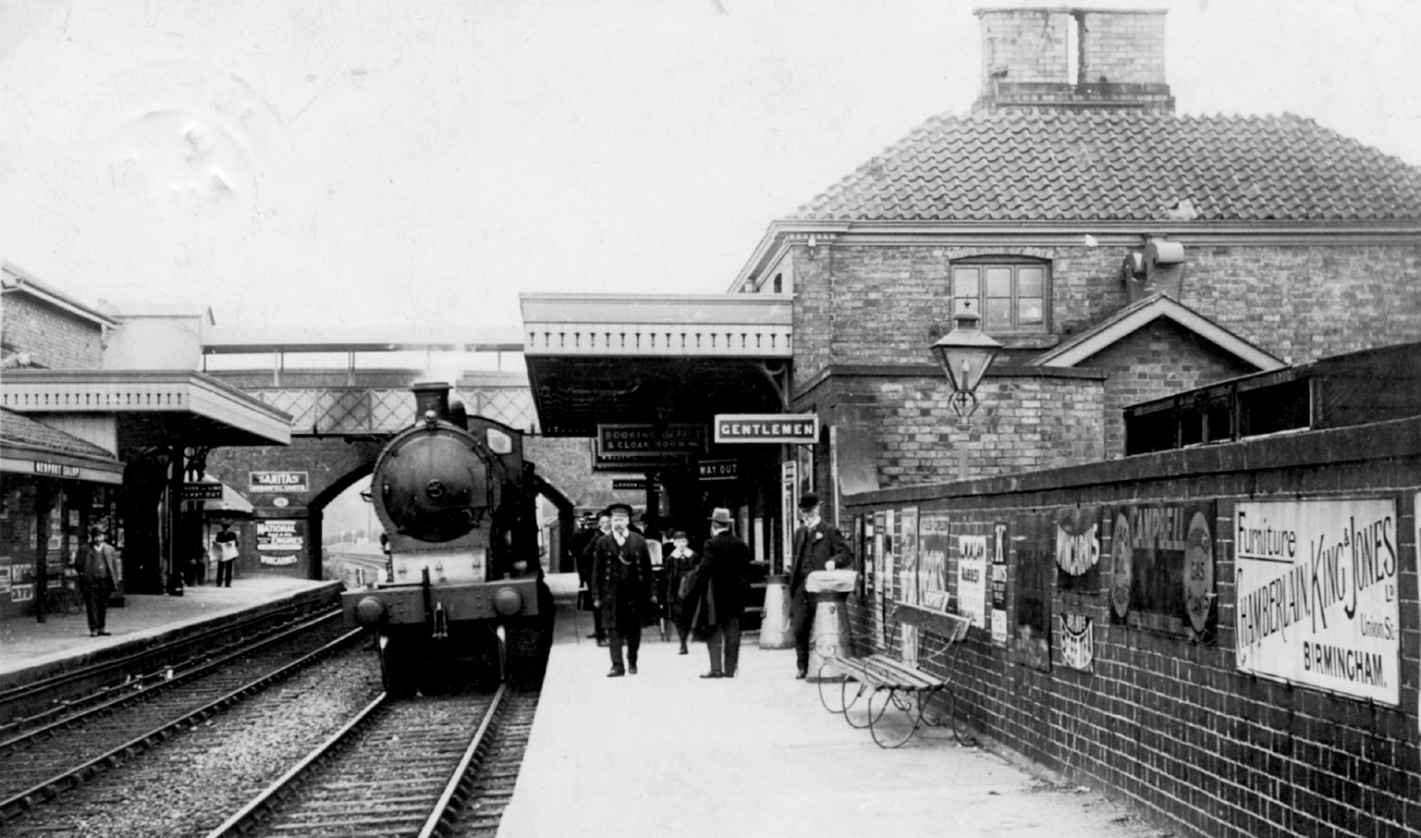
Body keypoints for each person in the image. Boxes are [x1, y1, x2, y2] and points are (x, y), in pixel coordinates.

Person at [788, 493, 853, 679]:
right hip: (801, 586)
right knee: (800, 626)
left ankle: (823, 664)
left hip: (821, 589)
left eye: (809, 511)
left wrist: (834, 561)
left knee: (821, 626)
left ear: (816, 509)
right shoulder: (800, 533)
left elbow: (846, 554)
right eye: (803, 512)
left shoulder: (829, 531)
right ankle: (802, 665)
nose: (806, 515)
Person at [591, 503, 656, 677]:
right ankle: (617, 665)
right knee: (613, 629)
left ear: (628, 521)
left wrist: (652, 592)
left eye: (621, 519)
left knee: (634, 629)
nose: (617, 523)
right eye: (614, 519)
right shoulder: (603, 542)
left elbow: (647, 569)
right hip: (611, 593)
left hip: (634, 593)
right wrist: (596, 595)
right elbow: (596, 571)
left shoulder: (638, 540)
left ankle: (632, 660)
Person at [687, 508, 751, 678]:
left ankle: (716, 669)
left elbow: (705, 569)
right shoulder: (741, 544)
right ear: (728, 525)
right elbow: (747, 571)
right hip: (736, 595)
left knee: (714, 631)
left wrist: (695, 587)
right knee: (732, 632)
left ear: (714, 525)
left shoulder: (711, 544)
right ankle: (730, 669)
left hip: (715, 595)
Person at [73, 526, 119, 637]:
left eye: (100, 536)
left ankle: (101, 628)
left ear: (103, 537)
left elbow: (114, 566)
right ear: (92, 537)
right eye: (95, 537)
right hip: (91, 581)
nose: (98, 539)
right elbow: (78, 564)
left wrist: (114, 580)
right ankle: (93, 628)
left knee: (103, 605)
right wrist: (84, 574)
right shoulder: (84, 549)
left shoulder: (109, 550)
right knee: (91, 605)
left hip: (104, 581)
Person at [578, 511, 612, 645]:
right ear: (599, 524)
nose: (606, 524)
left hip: (614, 576)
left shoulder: (617, 535)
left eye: (608, 522)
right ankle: (600, 636)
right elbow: (585, 553)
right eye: (603, 522)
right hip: (600, 576)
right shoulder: (595, 536)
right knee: (599, 607)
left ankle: (615, 635)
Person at [662, 530, 698, 654]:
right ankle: (682, 640)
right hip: (676, 591)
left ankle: (684, 640)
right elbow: (667, 577)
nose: (681, 544)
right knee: (678, 616)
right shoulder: (670, 559)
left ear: (687, 542)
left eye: (683, 541)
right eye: (678, 541)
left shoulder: (693, 556)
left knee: (688, 615)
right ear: (674, 543)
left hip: (690, 590)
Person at [213, 522, 239, 587]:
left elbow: (236, 543)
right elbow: (217, 542)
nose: (225, 530)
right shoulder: (220, 534)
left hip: (229, 554)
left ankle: (226, 583)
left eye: (226, 528)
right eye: (225, 528)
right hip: (222, 553)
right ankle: (220, 583)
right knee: (221, 569)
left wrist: (230, 543)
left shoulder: (232, 534)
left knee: (228, 569)